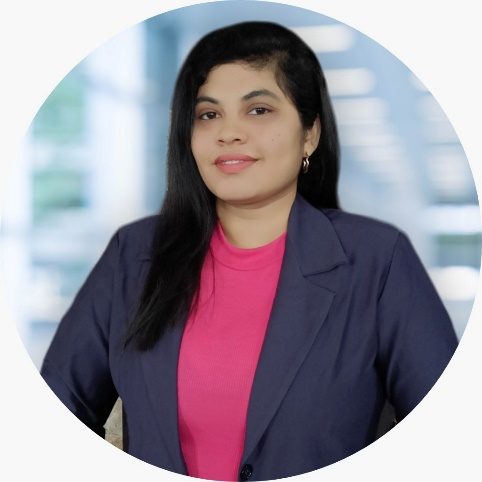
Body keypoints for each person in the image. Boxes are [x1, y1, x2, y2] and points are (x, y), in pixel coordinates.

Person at [40, 21, 458, 481]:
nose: (229, 132)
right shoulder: (134, 255)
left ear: (310, 134)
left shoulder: (377, 260)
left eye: (258, 110)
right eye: (208, 114)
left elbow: (446, 440)